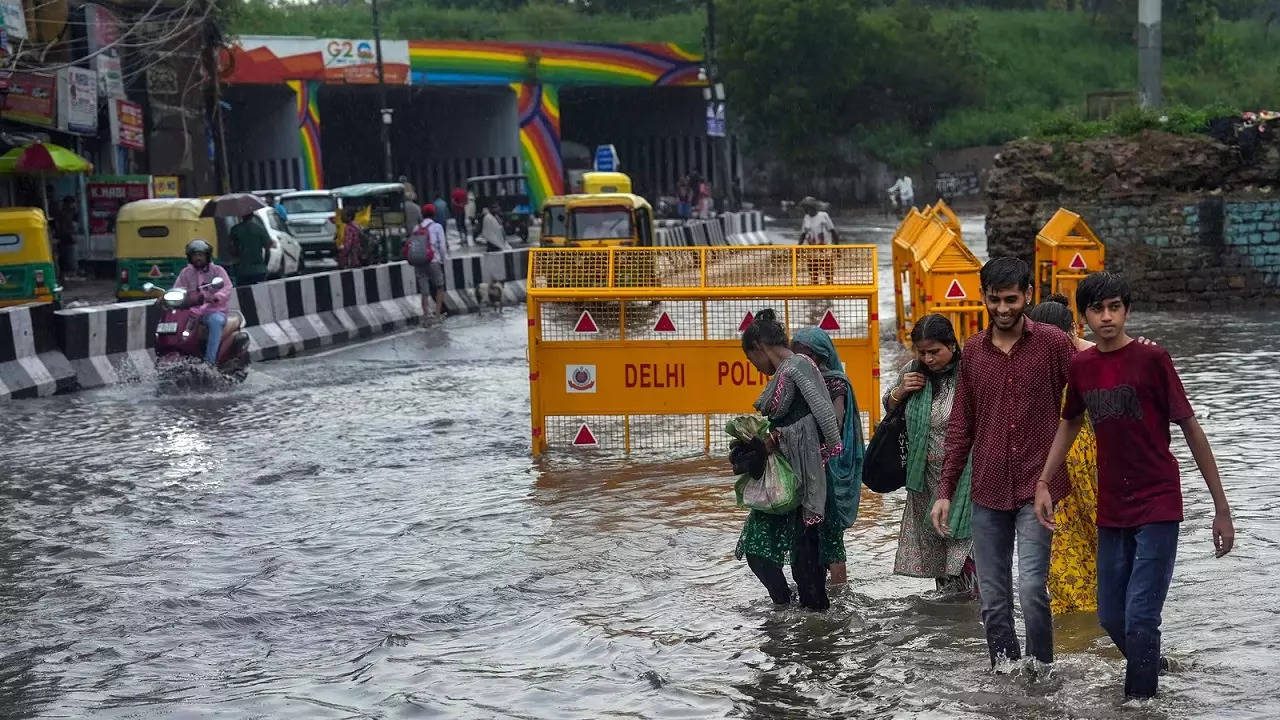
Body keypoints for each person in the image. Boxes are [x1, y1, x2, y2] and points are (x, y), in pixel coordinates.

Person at [1034, 272, 1235, 700]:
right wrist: (1045, 481)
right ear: (1083, 317)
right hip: (1113, 507)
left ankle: (1140, 705)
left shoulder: (1153, 359)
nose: (1106, 317)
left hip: (1159, 501)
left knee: (1141, 615)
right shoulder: (1082, 366)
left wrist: (1221, 507)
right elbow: (1069, 421)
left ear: (1126, 310)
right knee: (1111, 617)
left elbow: (1191, 429)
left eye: (1115, 307)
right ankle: (1153, 666)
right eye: (1096, 309)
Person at [930, 256, 1076, 669]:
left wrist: (1126, 349)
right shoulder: (974, 352)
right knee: (993, 600)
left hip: (1038, 489)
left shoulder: (1052, 343)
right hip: (988, 491)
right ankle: (1005, 677)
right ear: (983, 298)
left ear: (1027, 296)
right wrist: (945, 491)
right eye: (994, 300)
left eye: (1011, 299)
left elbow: (1088, 388)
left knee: (1032, 589)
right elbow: (961, 426)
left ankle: (1042, 674)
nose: (1003, 308)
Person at [734, 310, 844, 610]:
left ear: (759, 347)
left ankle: (810, 634)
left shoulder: (799, 367)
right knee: (762, 554)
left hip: (805, 482)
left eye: (752, 360)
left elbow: (824, 420)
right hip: (784, 481)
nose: (757, 369)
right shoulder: (789, 372)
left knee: (805, 566)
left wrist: (777, 439)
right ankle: (786, 610)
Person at [885, 314, 977, 594]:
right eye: (922, 352)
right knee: (940, 553)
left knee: (966, 547)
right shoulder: (913, 373)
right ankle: (950, 624)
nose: (928, 359)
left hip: (964, 478)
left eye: (934, 352)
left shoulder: (968, 374)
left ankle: (977, 616)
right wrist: (901, 392)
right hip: (925, 480)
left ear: (952, 344)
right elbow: (889, 406)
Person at [1028, 294, 1099, 616]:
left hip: (1050, 468)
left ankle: (1072, 628)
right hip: (1087, 461)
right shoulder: (1090, 359)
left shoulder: (1031, 366)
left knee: (1060, 546)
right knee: (1099, 539)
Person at [790, 327, 865, 586]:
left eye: (803, 354)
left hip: (828, 470)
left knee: (831, 534)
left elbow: (834, 422)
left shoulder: (834, 383)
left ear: (819, 355)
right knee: (807, 533)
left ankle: (839, 591)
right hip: (805, 469)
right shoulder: (796, 380)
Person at [173, 239, 233, 366]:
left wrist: (216, 297)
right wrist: (169, 297)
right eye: (195, 255)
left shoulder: (217, 270)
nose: (198, 258)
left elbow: (227, 287)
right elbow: (178, 288)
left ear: (207, 256)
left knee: (215, 322)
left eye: (201, 255)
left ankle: (209, 362)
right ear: (190, 257)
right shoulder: (186, 273)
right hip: (191, 311)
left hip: (214, 311)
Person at [405, 204, 448, 322]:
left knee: (424, 290)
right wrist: (443, 261)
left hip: (419, 261)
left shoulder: (416, 228)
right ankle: (438, 316)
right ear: (433, 214)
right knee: (439, 287)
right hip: (433, 260)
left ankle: (426, 316)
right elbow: (442, 246)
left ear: (422, 215)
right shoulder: (437, 227)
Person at [798, 197, 838, 285]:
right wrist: (798, 248)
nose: (805, 210)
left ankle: (829, 295)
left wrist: (837, 248)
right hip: (812, 253)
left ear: (812, 207)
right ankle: (815, 297)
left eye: (806, 208)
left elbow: (833, 231)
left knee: (828, 275)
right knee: (813, 276)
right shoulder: (806, 218)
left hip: (825, 251)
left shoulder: (823, 216)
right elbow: (803, 234)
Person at [230, 212, 271, 285]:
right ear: (252, 216)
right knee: (261, 293)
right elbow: (268, 250)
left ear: (242, 216)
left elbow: (232, 251)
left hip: (242, 270)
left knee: (244, 294)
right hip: (259, 270)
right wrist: (264, 265)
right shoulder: (259, 229)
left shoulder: (235, 230)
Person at [54, 195, 78, 280]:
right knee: (65, 257)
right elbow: (62, 226)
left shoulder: (72, 212)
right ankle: (65, 275)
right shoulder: (63, 213)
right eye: (72, 203)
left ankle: (65, 274)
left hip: (67, 238)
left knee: (67, 257)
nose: (74, 205)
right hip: (65, 238)